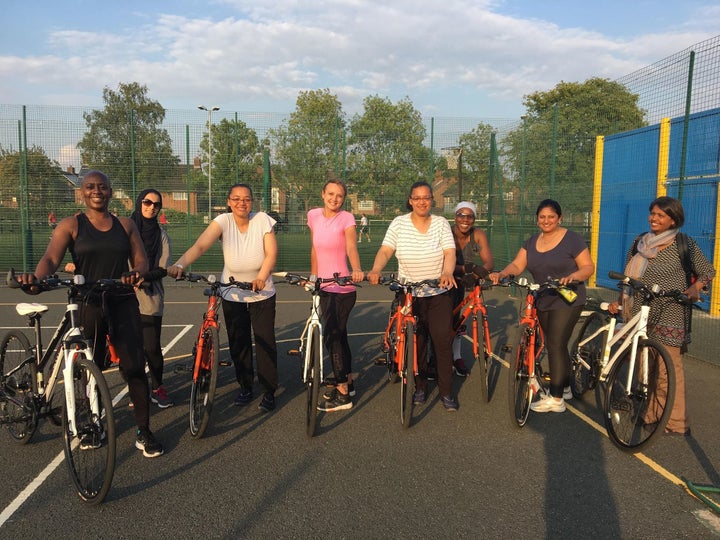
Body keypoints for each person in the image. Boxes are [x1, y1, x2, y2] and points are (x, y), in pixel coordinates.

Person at [17, 170, 164, 457]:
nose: (96, 191)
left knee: (134, 367)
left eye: (102, 187)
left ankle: (143, 431)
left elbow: (141, 259)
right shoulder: (71, 225)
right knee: (90, 368)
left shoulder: (125, 225)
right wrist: (37, 279)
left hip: (122, 301)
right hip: (88, 302)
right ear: (82, 192)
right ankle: (90, 424)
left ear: (110, 192)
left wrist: (137, 273)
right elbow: (50, 258)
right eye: (90, 187)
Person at [607, 196, 715, 436]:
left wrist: (695, 289)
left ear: (673, 219)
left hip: (671, 313)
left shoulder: (683, 244)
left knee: (668, 370)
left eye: (660, 215)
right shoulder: (639, 242)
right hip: (640, 312)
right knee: (646, 367)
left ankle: (675, 421)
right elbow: (629, 279)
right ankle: (651, 414)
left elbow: (707, 271)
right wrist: (620, 301)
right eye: (652, 213)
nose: (654, 218)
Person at [168, 184, 279, 412]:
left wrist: (261, 277)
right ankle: (246, 386)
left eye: (246, 199)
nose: (242, 203)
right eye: (236, 199)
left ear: (252, 201)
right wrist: (180, 264)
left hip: (262, 293)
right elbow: (200, 245)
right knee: (239, 342)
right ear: (229, 201)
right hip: (232, 292)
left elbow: (271, 253)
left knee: (264, 341)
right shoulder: (223, 221)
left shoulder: (262, 221)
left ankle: (269, 390)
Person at [489, 199, 595, 413]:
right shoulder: (531, 242)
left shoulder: (572, 239)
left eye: (551, 217)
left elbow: (587, 267)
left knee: (555, 344)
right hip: (543, 297)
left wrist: (573, 276)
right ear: (537, 220)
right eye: (542, 217)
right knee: (557, 345)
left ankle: (556, 400)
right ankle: (564, 387)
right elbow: (518, 264)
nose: (546, 221)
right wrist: (503, 273)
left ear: (559, 218)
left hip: (567, 298)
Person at [367, 181, 459, 411]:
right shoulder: (399, 223)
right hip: (410, 293)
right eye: (416, 198)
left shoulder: (440, 224)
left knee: (441, 342)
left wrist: (447, 272)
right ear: (410, 200)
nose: (421, 202)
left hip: (438, 293)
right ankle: (419, 387)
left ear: (432, 201)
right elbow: (386, 250)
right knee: (416, 343)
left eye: (426, 197)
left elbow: (449, 251)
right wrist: (376, 269)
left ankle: (446, 392)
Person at [308, 179, 364, 412]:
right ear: (323, 194)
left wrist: (357, 269)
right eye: (331, 194)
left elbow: (351, 246)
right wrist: (312, 277)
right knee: (339, 336)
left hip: (342, 287)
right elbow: (314, 248)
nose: (335, 198)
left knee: (333, 335)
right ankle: (348, 383)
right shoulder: (313, 215)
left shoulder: (347, 218)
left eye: (339, 195)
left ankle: (342, 393)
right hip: (322, 286)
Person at [131, 189, 174, 408]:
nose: (151, 207)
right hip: (124, 296)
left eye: (156, 205)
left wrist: (144, 277)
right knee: (130, 349)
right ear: (140, 203)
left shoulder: (161, 235)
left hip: (150, 296)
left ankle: (157, 387)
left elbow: (162, 268)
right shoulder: (125, 229)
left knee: (151, 347)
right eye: (147, 202)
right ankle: (137, 389)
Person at [450, 201, 494, 376]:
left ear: (474, 219)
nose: (465, 219)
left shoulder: (478, 235)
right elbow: (440, 264)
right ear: (455, 217)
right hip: (442, 278)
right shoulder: (447, 232)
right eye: (461, 215)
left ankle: (456, 357)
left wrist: (477, 274)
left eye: (470, 216)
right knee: (441, 321)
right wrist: (467, 269)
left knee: (457, 321)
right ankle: (433, 359)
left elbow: (489, 262)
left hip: (462, 281)